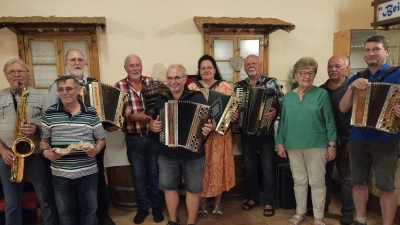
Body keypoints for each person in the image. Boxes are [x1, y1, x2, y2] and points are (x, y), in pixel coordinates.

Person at [48, 49, 115, 225]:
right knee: (70, 186)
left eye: (80, 60)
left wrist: (118, 114)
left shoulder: (94, 84)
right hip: (67, 146)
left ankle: (101, 215)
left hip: (94, 141)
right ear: (66, 62)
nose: (77, 63)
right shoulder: (59, 86)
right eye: (73, 60)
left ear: (84, 62)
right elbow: (49, 115)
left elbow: (105, 112)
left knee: (97, 179)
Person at [339, 35, 400, 225]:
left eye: (376, 49)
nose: (371, 53)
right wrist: (350, 89)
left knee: (386, 186)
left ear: (387, 52)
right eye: (367, 50)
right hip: (358, 138)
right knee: (358, 183)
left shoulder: (398, 73)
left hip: (387, 140)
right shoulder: (358, 77)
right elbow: (343, 108)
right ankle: (361, 220)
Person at [149, 64, 213, 225]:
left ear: (185, 79)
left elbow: (209, 122)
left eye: (177, 77)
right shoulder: (161, 98)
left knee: (193, 189)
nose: (173, 81)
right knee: (169, 188)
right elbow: (153, 122)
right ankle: (173, 220)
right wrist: (152, 127)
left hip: (193, 154)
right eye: (170, 78)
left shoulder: (196, 97)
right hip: (167, 154)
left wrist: (208, 128)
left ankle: (191, 222)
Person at [276, 57, 337, 225]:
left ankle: (319, 218)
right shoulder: (288, 97)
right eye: (303, 73)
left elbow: (330, 121)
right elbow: (283, 122)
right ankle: (300, 213)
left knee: (317, 182)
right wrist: (280, 143)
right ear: (296, 75)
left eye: (311, 73)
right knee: (299, 181)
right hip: (293, 144)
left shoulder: (321, 94)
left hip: (317, 144)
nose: (307, 76)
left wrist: (332, 145)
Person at [40, 75, 106, 225]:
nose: (65, 93)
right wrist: (45, 152)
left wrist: (96, 150)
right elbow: (44, 141)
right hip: (60, 174)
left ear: (78, 90)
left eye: (69, 88)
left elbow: (101, 139)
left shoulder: (90, 112)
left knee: (90, 212)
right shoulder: (49, 114)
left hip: (88, 173)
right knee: (65, 214)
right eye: (61, 90)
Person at [0, 59, 59, 225]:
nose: (17, 74)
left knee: (45, 197)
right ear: (6, 76)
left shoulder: (41, 96)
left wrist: (37, 129)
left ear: (28, 75)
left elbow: (50, 125)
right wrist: (3, 150)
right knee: (12, 202)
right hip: (8, 155)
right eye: (12, 71)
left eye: (21, 71)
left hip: (36, 154)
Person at [114, 54, 164, 224]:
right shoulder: (118, 87)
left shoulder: (153, 83)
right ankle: (142, 208)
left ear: (141, 66)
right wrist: (136, 117)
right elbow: (115, 117)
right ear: (125, 68)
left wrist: (150, 119)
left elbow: (164, 108)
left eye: (138, 65)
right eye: (131, 65)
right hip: (133, 138)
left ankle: (157, 207)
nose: (135, 68)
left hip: (154, 137)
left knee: (155, 173)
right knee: (138, 175)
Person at [305, 56, 354, 225]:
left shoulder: (353, 88)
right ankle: (322, 207)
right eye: (330, 66)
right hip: (323, 142)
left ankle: (348, 212)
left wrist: (351, 140)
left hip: (347, 142)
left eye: (337, 66)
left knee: (347, 180)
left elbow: (359, 117)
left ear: (346, 68)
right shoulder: (320, 90)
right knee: (322, 177)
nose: (333, 69)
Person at [187, 55, 235, 219]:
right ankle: (201, 204)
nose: (206, 70)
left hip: (219, 138)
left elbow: (231, 113)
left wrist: (229, 118)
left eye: (209, 67)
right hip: (199, 138)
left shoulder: (225, 88)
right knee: (199, 171)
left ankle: (217, 203)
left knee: (217, 170)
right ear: (199, 71)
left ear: (215, 69)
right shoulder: (192, 88)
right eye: (203, 68)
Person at [234, 54, 283, 217]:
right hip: (246, 134)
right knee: (250, 169)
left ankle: (269, 200)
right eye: (247, 64)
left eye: (253, 63)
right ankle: (253, 197)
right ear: (244, 67)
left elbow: (282, 104)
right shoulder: (239, 87)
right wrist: (235, 116)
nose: (250, 66)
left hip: (265, 134)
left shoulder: (272, 82)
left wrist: (275, 111)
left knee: (268, 169)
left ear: (260, 65)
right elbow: (234, 108)